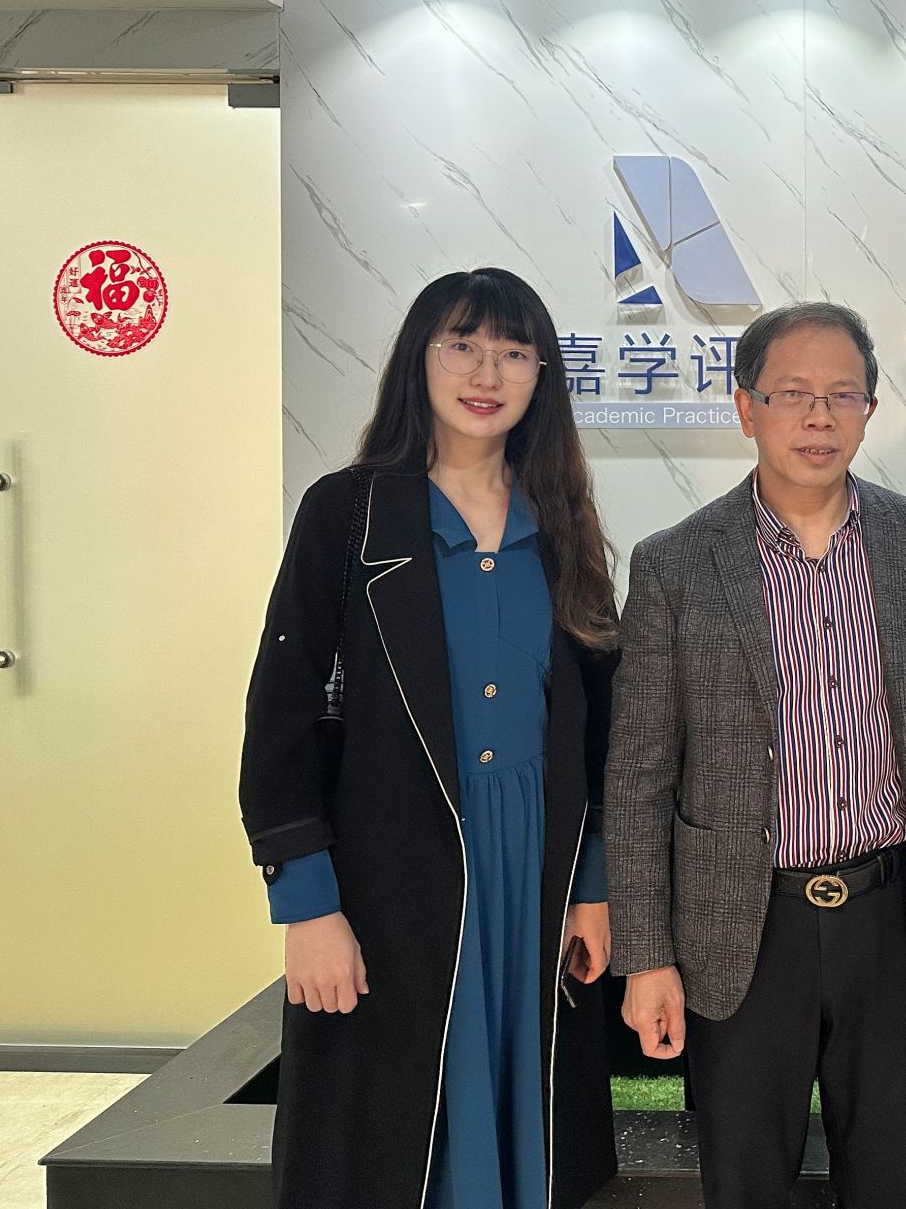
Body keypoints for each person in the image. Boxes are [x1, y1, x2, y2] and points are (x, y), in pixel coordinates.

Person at [239, 267, 620, 1209]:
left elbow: (600, 732)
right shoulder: (349, 511)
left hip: (532, 870)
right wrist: (307, 908)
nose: (487, 373)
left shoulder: (562, 521)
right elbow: (282, 712)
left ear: (542, 376)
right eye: (463, 345)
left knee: (535, 1129)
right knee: (394, 1143)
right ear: (420, 358)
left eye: (514, 352)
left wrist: (592, 887)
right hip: (388, 874)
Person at [604, 301, 906, 1209]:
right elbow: (638, 776)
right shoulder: (676, 564)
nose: (819, 417)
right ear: (746, 408)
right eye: (792, 395)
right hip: (738, 924)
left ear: (869, 410)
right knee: (744, 1182)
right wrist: (646, 956)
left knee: (891, 1180)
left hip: (892, 916)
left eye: (842, 395)